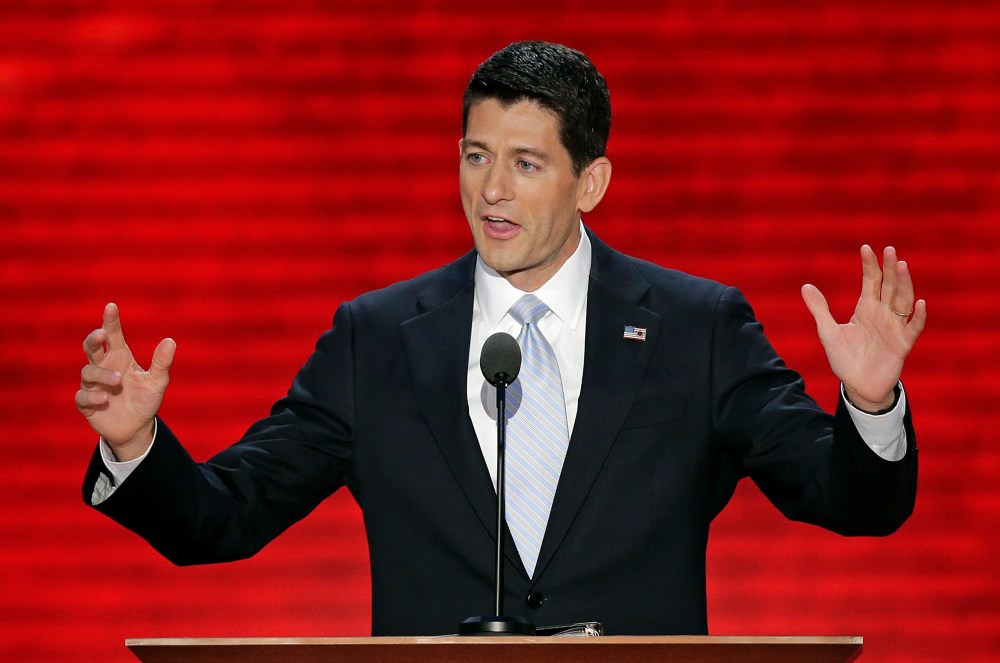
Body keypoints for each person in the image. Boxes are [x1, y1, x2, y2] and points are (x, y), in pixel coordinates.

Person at [77, 41, 925, 636]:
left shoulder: (696, 328)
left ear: (589, 181)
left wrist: (869, 401)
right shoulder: (376, 340)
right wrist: (136, 445)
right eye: (476, 155)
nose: (491, 190)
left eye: (525, 163)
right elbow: (221, 520)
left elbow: (848, 500)